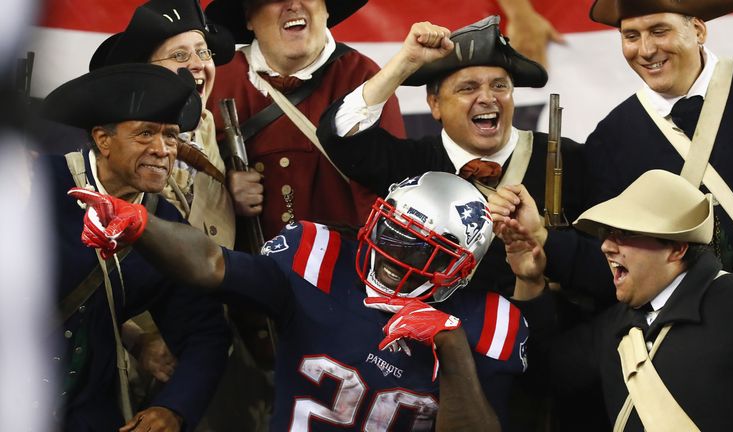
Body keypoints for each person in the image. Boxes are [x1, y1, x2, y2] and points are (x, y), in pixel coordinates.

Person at [69, 171, 530, 431]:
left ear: (461, 266)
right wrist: (141, 225)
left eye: (418, 247)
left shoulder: (489, 324)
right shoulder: (319, 259)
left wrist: (450, 348)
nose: (392, 252)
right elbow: (213, 264)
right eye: (391, 230)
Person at [317, 15, 586, 295]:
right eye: (468, 88)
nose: (487, 97)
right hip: (445, 335)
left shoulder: (570, 159)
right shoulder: (410, 167)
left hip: (551, 331)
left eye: (499, 86)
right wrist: (405, 63)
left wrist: (544, 240)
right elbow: (340, 133)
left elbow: (604, 267)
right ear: (434, 104)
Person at [493, 169, 733, 431]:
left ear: (676, 248)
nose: (606, 246)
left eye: (624, 235)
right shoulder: (615, 324)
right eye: (607, 234)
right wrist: (529, 281)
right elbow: (544, 374)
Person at [37, 63, 230, 432]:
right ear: (103, 140)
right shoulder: (35, 183)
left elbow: (205, 332)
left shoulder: (168, 226)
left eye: (171, 136)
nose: (162, 150)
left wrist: (174, 408)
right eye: (145, 134)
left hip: (83, 409)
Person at [541, 0, 733, 293]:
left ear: (698, 29)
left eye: (659, 31)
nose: (646, 50)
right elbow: (610, 259)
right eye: (631, 36)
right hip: (689, 328)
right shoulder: (609, 139)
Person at [204, 0, 406, 240]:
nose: (293, 5)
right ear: (249, 16)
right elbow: (186, 188)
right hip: (248, 269)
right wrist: (221, 195)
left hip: (342, 268)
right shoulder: (216, 80)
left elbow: (390, 196)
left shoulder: (364, 78)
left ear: (326, 7)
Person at [90, 0, 238, 249]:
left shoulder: (207, 126)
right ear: (145, 73)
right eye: (180, 55)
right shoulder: (122, 141)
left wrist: (231, 194)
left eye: (203, 52)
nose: (198, 64)